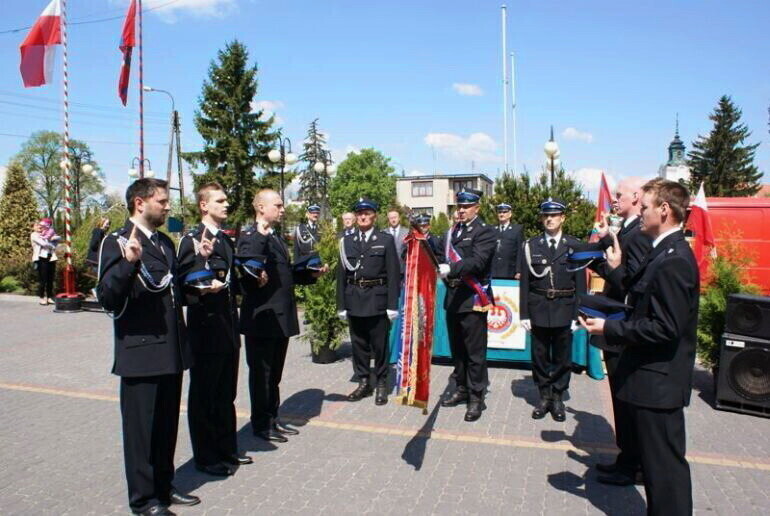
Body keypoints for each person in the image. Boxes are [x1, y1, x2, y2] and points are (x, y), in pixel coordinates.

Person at [581, 179, 698, 516]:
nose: (641, 212)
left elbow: (666, 327)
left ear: (664, 210)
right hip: (651, 380)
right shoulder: (662, 250)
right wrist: (616, 271)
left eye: (645, 207)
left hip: (659, 383)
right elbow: (638, 298)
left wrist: (610, 327)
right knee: (659, 471)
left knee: (665, 474)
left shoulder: (674, 258)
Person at [96, 178, 199, 516]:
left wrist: (200, 279)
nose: (168, 206)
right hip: (140, 352)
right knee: (141, 432)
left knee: (166, 426)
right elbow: (108, 297)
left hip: (170, 350)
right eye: (162, 201)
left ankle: (163, 487)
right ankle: (143, 501)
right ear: (140, 203)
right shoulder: (117, 241)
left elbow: (174, 291)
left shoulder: (165, 243)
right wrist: (127, 264)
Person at [177, 183, 252, 478]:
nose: (226, 205)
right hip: (205, 328)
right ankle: (206, 457)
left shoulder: (225, 240)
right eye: (219, 201)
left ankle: (226, 450)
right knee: (204, 395)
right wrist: (203, 264)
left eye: (226, 200)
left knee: (225, 394)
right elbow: (183, 287)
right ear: (203, 205)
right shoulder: (191, 241)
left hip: (227, 326)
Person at [238, 189, 325, 443]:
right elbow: (249, 266)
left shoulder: (274, 237)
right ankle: (261, 424)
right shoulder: (251, 235)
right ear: (261, 208)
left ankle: (272, 418)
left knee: (274, 374)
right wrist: (262, 233)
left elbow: (284, 272)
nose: (283, 208)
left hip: (280, 316)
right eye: (278, 204)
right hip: (262, 318)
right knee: (262, 375)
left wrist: (310, 274)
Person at [590, 177, 652, 487]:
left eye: (620, 195)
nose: (614, 199)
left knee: (626, 400)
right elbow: (616, 270)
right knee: (619, 398)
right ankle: (626, 459)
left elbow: (631, 282)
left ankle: (633, 465)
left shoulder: (638, 234)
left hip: (622, 325)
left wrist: (602, 261)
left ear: (636, 197)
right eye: (614, 194)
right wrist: (597, 253)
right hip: (615, 322)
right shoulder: (625, 229)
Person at [519, 198, 586, 422]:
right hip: (538, 308)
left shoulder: (574, 246)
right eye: (546, 215)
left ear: (562, 218)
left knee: (562, 357)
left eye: (554, 215)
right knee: (539, 356)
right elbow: (525, 284)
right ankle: (544, 397)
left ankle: (557, 397)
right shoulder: (531, 246)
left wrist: (578, 314)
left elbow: (581, 285)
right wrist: (524, 314)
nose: (549, 219)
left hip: (565, 308)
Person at [438, 188, 497, 422]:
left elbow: (478, 262)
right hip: (453, 299)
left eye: (466, 206)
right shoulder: (452, 232)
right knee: (458, 351)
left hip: (473, 298)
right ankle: (461, 389)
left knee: (475, 352)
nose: (461, 210)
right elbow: (436, 249)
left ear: (477, 208)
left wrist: (451, 268)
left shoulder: (484, 232)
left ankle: (476, 397)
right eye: (459, 206)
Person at [337, 198, 400, 405]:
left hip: (377, 299)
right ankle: (364, 381)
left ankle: (381, 382)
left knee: (379, 345)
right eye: (360, 213)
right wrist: (341, 304)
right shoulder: (346, 241)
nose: (363, 216)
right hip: (354, 298)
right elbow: (341, 275)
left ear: (374, 216)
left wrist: (392, 304)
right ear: (355, 216)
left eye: (367, 213)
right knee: (359, 344)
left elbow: (393, 274)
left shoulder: (385, 240)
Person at [491, 203, 523, 280]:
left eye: (504, 212)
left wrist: (518, 270)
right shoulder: (491, 229)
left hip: (509, 271)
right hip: (493, 271)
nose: (501, 214)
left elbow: (520, 251)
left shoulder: (517, 230)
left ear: (510, 214)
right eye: (499, 212)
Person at [30, 221, 57, 305]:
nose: (39, 226)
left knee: (50, 279)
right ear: (33, 227)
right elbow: (44, 243)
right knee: (43, 279)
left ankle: (49, 297)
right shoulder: (34, 235)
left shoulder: (47, 233)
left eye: (40, 225)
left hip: (51, 258)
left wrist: (53, 240)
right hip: (41, 259)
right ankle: (42, 297)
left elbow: (57, 240)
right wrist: (51, 242)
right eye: (36, 225)